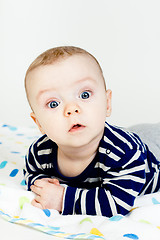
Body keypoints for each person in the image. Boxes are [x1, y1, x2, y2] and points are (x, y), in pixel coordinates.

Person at [24, 46, 160, 217]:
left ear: (107, 104)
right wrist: (41, 184)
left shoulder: (124, 153)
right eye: (53, 104)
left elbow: (116, 204)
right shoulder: (39, 152)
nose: (71, 109)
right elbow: (32, 173)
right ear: (39, 123)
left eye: (85, 95)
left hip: (151, 152)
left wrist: (61, 199)